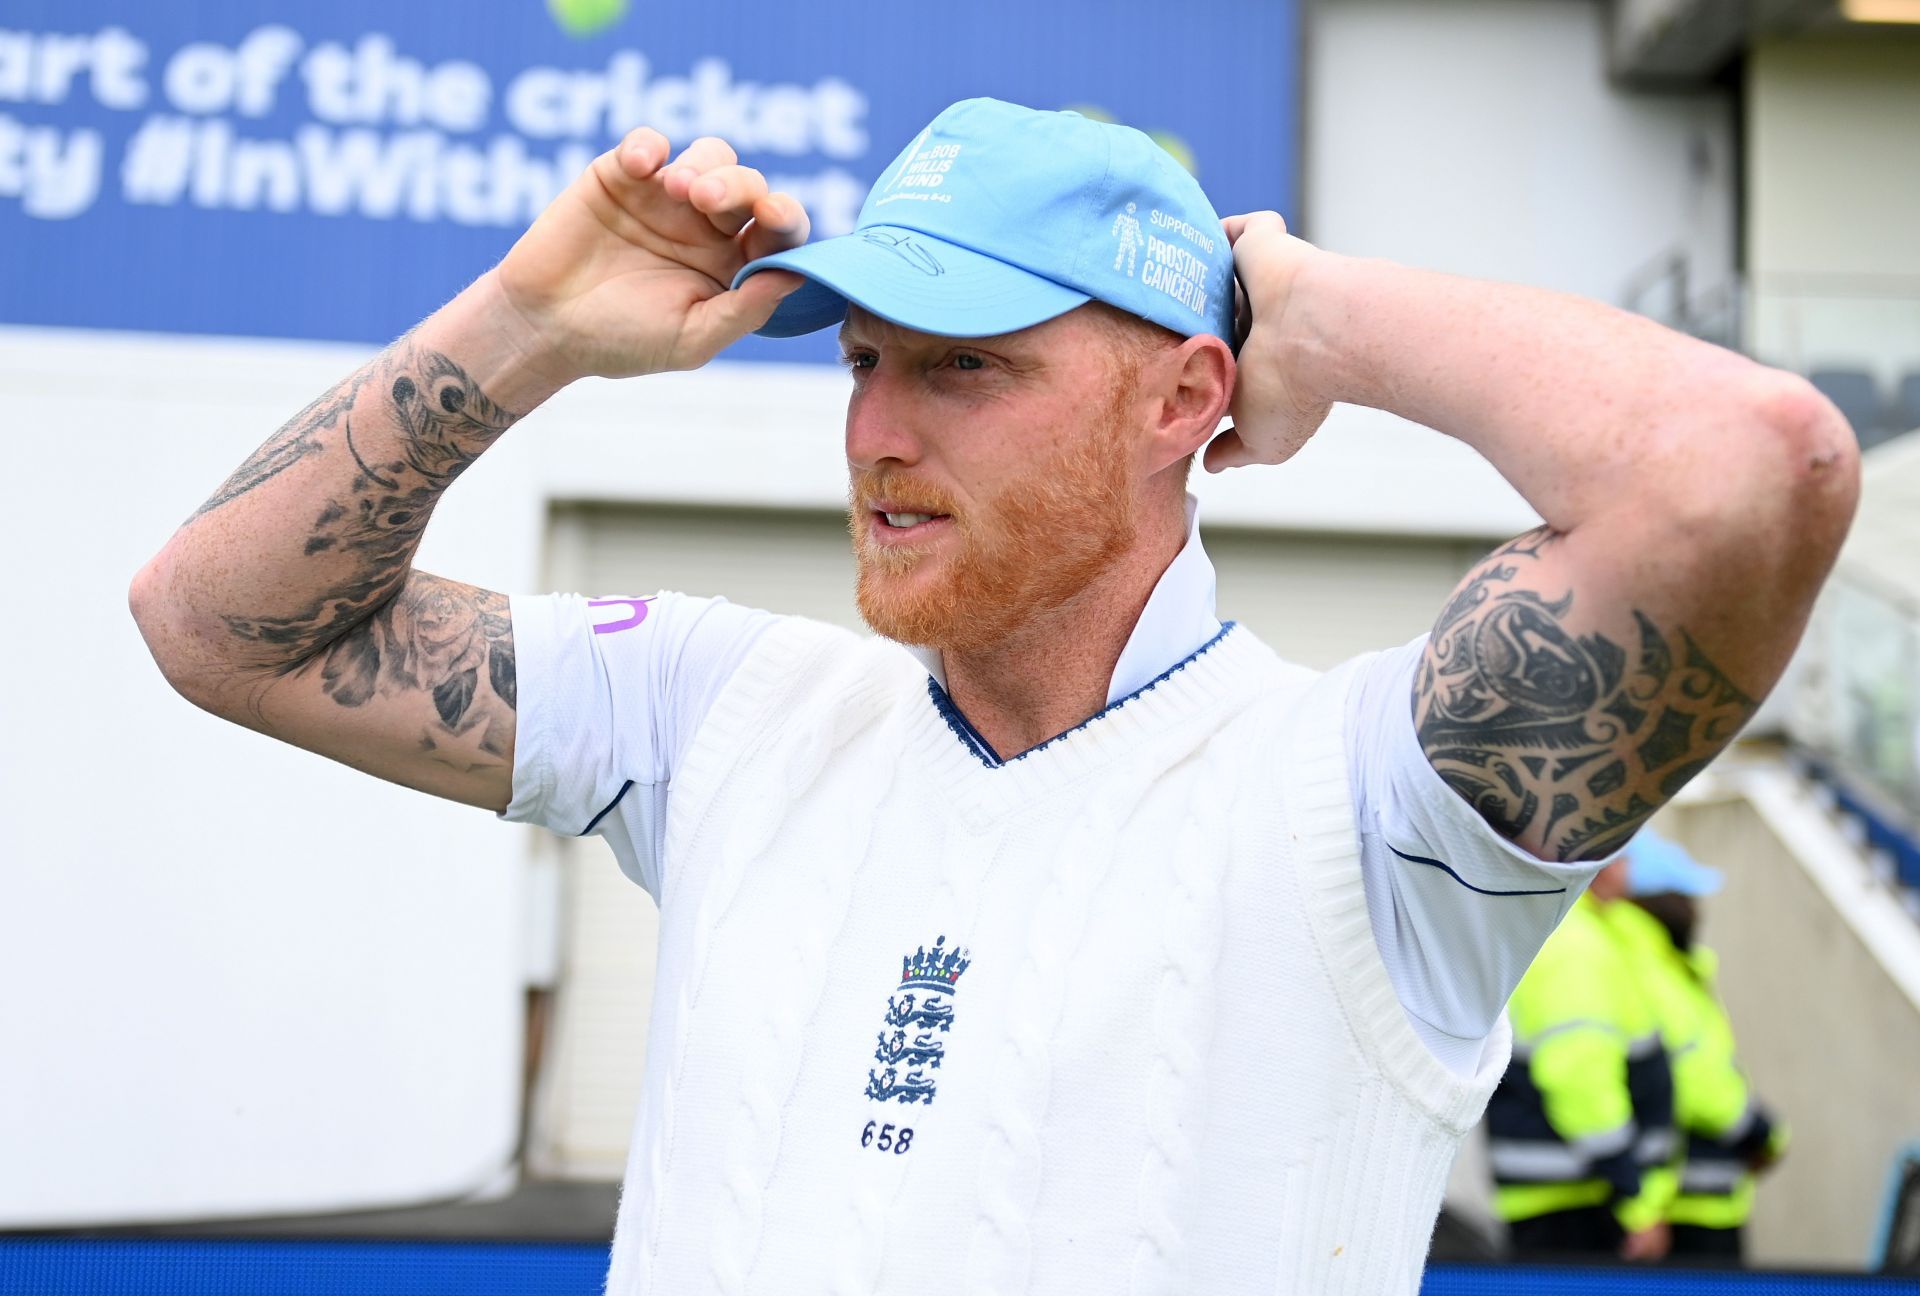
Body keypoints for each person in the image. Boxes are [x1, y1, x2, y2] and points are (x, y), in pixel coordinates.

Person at [128, 97, 1858, 1293]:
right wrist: (531, 323)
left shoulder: (1365, 798)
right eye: (867, 358)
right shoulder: (719, 707)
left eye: (967, 367)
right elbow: (219, 620)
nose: (879, 428)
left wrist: (1320, 315)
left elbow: (1751, 470)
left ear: (1187, 399)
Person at [1485, 858, 1679, 1261]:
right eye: (1623, 853)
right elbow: (1579, 1079)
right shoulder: (1576, 946)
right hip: (1575, 1200)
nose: (1630, 868)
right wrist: (1636, 1202)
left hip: (1567, 1193)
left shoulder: (1580, 932)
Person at [1609, 830, 1787, 1265]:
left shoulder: (1654, 961)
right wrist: (1760, 1132)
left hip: (1692, 1192)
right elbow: (1695, 1077)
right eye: (1683, 895)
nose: (1694, 909)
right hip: (1692, 1199)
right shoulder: (1648, 965)